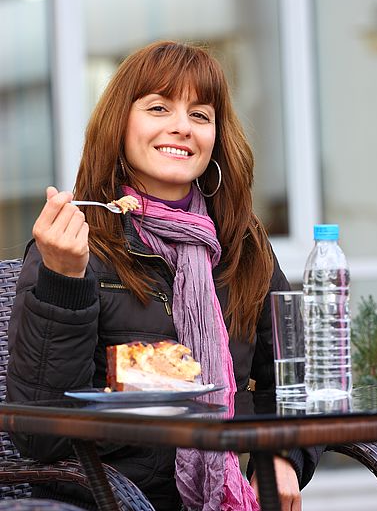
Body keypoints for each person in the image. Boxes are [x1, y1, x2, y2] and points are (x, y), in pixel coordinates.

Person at [6, 41, 323, 511]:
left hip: (232, 494)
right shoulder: (76, 244)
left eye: (200, 115)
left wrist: (282, 454)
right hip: (110, 499)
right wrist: (64, 281)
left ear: (216, 136)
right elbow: (40, 437)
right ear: (121, 124)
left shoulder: (242, 244)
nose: (181, 126)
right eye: (158, 107)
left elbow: (297, 378)